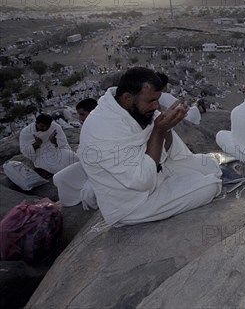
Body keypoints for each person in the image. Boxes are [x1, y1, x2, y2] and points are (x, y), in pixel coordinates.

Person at [77, 67, 222, 226]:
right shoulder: (101, 128)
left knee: (210, 165)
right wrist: (158, 131)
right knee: (210, 186)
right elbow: (142, 181)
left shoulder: (139, 109)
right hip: (132, 202)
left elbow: (168, 154)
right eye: (151, 101)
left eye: (157, 99)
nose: (156, 106)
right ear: (127, 98)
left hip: (157, 173)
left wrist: (167, 127)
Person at [54, 98, 98, 209]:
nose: (80, 118)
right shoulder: (87, 126)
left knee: (89, 195)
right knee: (59, 178)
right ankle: (69, 202)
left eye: (83, 114)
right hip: (86, 165)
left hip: (101, 167)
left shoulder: (105, 124)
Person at [19, 113, 78, 177]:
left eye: (48, 126)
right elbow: (24, 150)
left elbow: (63, 143)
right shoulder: (26, 132)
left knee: (73, 158)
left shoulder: (55, 127)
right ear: (36, 123)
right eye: (42, 126)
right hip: (41, 154)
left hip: (56, 149)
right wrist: (36, 145)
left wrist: (54, 142)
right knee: (57, 168)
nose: (45, 128)